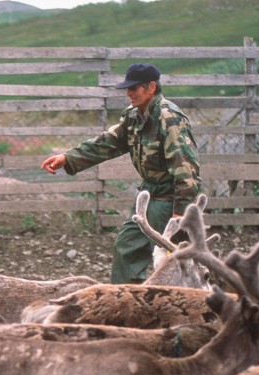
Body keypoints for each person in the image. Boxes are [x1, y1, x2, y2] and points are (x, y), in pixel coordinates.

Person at [41, 63, 203, 284]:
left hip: (170, 200)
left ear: (151, 87)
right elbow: (107, 143)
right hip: (147, 197)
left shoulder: (169, 118)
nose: (129, 93)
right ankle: (129, 304)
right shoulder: (133, 116)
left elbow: (186, 169)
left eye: (134, 88)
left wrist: (181, 213)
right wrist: (67, 158)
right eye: (127, 88)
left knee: (176, 261)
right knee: (126, 247)